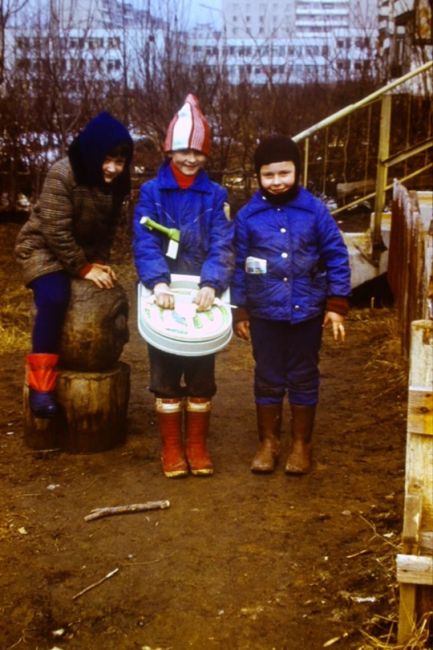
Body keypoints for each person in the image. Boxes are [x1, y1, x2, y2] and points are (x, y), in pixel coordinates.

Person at [231, 134, 351, 475]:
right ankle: (268, 441)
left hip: (307, 311)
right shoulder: (249, 216)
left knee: (302, 373)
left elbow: (336, 255)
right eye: (268, 175)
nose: (277, 182)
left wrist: (336, 304)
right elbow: (238, 264)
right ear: (258, 177)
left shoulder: (314, 210)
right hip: (265, 312)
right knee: (267, 374)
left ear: (297, 171)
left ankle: (301, 443)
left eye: (284, 173)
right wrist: (240, 308)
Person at [132, 94, 234, 478]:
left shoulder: (216, 195)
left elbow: (223, 242)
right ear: (169, 150)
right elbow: (144, 240)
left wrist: (213, 282)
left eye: (198, 152)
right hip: (164, 293)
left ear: (206, 154)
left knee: (201, 370)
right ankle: (172, 448)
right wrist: (157, 281)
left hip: (201, 295)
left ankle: (197, 445)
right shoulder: (152, 193)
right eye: (183, 151)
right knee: (164, 371)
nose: (190, 159)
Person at [15, 111, 133, 418]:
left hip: (79, 251)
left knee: (106, 289)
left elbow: (108, 229)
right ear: (92, 153)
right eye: (107, 159)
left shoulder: (117, 184)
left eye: (120, 161)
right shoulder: (63, 173)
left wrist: (99, 262)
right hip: (43, 248)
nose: (112, 168)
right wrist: (82, 268)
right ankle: (41, 386)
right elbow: (54, 229)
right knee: (54, 297)